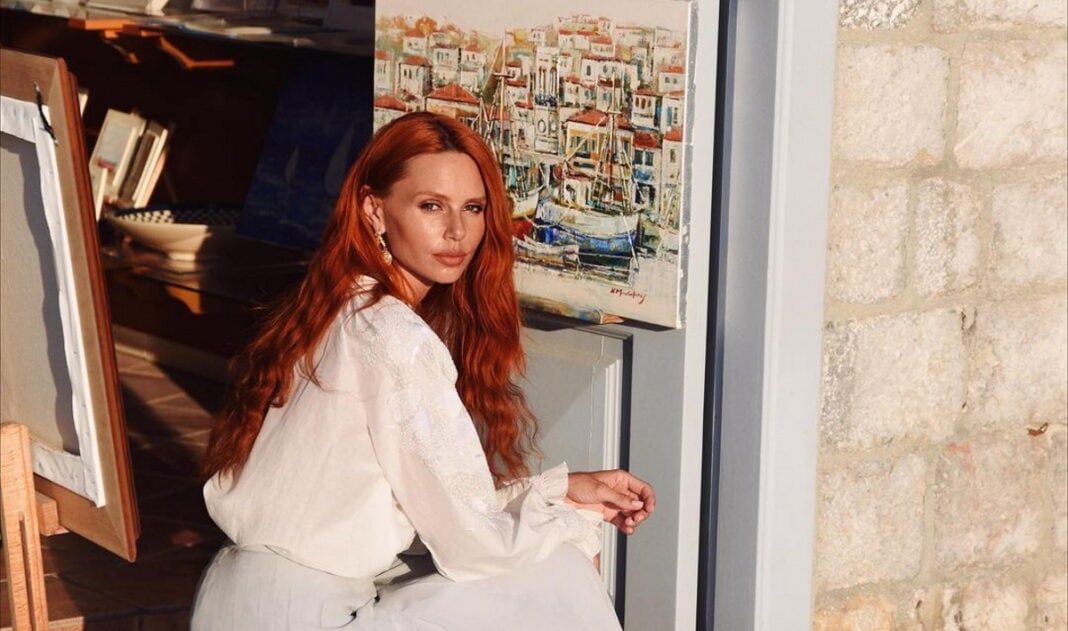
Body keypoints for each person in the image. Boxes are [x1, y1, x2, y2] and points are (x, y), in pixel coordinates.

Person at [190, 111, 655, 630]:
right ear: (374, 210)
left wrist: (559, 491)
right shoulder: (395, 337)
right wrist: (571, 519)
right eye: (431, 206)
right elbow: (471, 545)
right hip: (312, 617)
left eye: (473, 208)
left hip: (234, 603)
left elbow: (425, 504)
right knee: (560, 564)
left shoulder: (333, 305)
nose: (457, 231)